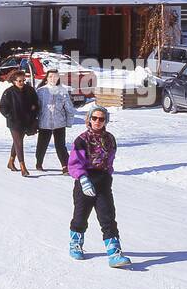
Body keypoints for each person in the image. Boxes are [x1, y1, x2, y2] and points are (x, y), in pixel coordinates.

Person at [67, 105, 129, 267]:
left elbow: (110, 159)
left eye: (101, 119)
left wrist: (107, 175)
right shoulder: (81, 139)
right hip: (85, 181)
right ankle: (75, 244)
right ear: (89, 119)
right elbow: (74, 163)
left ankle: (115, 253)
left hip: (102, 182)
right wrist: (83, 178)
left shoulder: (110, 138)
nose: (97, 121)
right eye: (94, 118)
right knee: (81, 216)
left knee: (107, 217)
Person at [0, 71, 40, 177]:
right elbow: (3, 108)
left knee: (18, 141)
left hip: (26, 121)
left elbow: (36, 102)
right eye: (19, 81)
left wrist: (34, 109)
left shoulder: (30, 90)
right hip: (14, 122)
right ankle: (23, 167)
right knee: (19, 143)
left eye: (23, 80)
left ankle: (11, 161)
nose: (22, 82)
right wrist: (10, 115)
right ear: (13, 81)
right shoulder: (8, 92)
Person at [35, 68, 75, 171]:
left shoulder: (63, 91)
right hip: (44, 123)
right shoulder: (40, 91)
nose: (53, 78)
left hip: (59, 123)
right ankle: (39, 163)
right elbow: (36, 107)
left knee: (61, 146)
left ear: (58, 78)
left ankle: (65, 166)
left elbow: (69, 108)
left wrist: (68, 122)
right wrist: (35, 121)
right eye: (50, 76)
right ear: (46, 78)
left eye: (55, 76)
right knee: (42, 145)